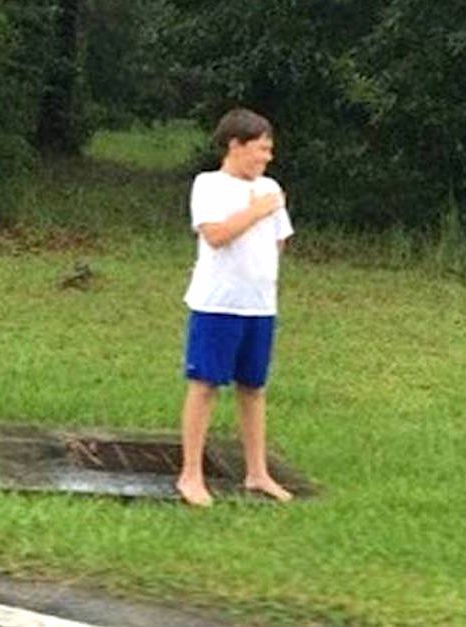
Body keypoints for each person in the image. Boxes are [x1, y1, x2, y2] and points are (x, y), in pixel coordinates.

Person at [174, 108, 294, 507]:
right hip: (216, 304)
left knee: (253, 388)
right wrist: (258, 209)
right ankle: (190, 475)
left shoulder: (271, 187)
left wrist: (268, 209)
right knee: (205, 385)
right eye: (261, 148)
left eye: (270, 149)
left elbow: (278, 242)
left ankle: (257, 472)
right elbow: (216, 235)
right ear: (235, 145)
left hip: (259, 306)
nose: (267, 157)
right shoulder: (208, 185)